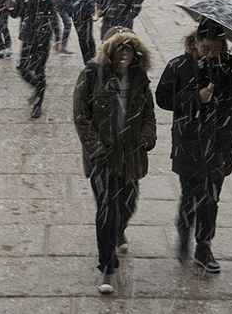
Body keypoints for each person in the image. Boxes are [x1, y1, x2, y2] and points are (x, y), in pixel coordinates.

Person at [155, 20, 232, 273]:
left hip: (220, 146)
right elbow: (162, 99)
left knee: (211, 198)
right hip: (189, 144)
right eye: (206, 47)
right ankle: (184, 238)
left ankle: (204, 246)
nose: (211, 53)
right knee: (190, 197)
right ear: (196, 42)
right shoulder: (179, 66)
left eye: (217, 48)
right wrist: (195, 97)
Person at [73, 28, 156, 294]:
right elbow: (81, 116)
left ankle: (119, 231)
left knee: (128, 204)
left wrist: (147, 137)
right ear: (109, 50)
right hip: (103, 158)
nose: (124, 53)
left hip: (130, 156)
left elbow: (148, 114)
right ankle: (107, 266)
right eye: (119, 48)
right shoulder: (90, 74)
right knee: (107, 209)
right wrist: (96, 148)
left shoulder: (140, 78)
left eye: (129, 49)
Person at [7, 0, 63, 118]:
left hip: (43, 37)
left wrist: (58, 38)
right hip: (27, 37)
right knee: (23, 68)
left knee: (39, 70)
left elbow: (53, 17)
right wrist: (10, 6)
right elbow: (16, 14)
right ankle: (38, 87)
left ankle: (37, 106)